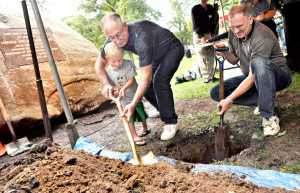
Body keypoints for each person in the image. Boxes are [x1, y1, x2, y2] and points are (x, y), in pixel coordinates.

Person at [95, 13, 184, 141]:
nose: (117, 40)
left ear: (125, 26)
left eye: (118, 34)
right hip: (155, 55)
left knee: (158, 81)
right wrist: (106, 84)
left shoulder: (141, 37)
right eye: (112, 37)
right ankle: (163, 108)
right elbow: (99, 65)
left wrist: (132, 104)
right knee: (147, 89)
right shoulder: (112, 37)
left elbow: (146, 78)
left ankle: (170, 122)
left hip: (172, 49)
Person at [210, 5, 292, 136]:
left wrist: (230, 99)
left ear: (250, 19)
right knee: (216, 93)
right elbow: (234, 59)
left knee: (258, 63)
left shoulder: (262, 35)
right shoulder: (233, 34)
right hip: (253, 76)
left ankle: (269, 117)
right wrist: (224, 52)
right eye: (232, 27)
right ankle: (265, 100)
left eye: (239, 26)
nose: (236, 31)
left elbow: (252, 76)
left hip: (278, 77)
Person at [103, 42, 149, 145]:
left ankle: (145, 127)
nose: (118, 63)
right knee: (129, 116)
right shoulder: (108, 71)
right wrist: (114, 90)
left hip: (134, 94)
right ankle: (134, 136)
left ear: (123, 55)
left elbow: (131, 80)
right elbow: (110, 84)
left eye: (120, 60)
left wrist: (123, 88)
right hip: (123, 98)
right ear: (107, 59)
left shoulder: (128, 64)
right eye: (113, 61)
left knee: (140, 112)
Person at [190, 0, 219, 83]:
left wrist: (215, 10)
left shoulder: (211, 7)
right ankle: (206, 78)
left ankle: (211, 76)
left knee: (211, 55)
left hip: (209, 34)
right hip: (199, 35)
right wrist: (201, 36)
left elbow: (214, 22)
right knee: (202, 55)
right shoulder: (195, 9)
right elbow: (195, 25)